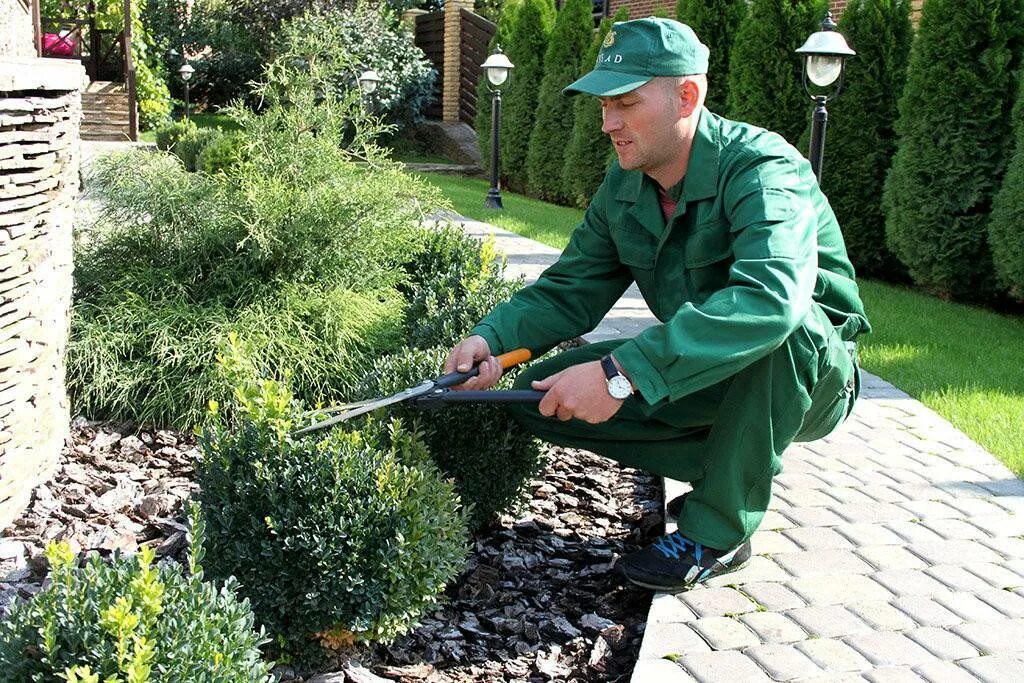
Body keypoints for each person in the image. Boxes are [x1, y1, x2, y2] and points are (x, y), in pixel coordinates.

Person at [444, 17, 870, 593]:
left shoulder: (765, 170)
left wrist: (621, 376)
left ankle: (716, 532)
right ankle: (733, 468)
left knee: (786, 328)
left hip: (810, 377)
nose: (607, 123)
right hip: (705, 371)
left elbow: (772, 300)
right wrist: (491, 340)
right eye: (603, 105)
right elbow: (571, 288)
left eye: (625, 102)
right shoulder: (625, 184)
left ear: (687, 95)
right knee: (534, 398)